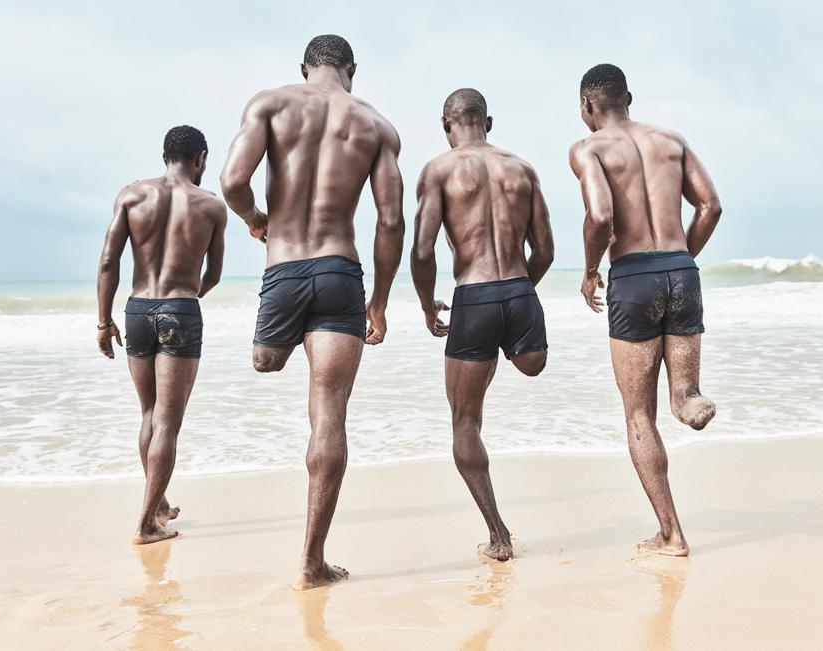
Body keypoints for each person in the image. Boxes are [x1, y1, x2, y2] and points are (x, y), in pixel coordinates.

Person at [219, 34, 404, 589]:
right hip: (340, 274)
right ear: (352, 70)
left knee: (266, 362)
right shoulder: (377, 126)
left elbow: (231, 181)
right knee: (329, 412)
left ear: (304, 68)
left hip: (284, 270)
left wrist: (257, 219)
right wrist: (381, 300)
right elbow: (392, 222)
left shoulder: (270, 104)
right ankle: (311, 562)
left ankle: (273, 344)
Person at [569, 64, 722, 556]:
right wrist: (681, 262)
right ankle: (689, 399)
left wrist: (591, 268)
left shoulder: (588, 148)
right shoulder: (672, 140)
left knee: (639, 415)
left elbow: (600, 215)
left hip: (633, 276)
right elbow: (710, 206)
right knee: (680, 395)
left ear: (587, 108)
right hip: (681, 270)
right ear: (628, 97)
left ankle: (671, 535)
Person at [411, 88, 554, 561]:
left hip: (472, 296)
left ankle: (499, 536)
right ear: (487, 122)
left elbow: (423, 251)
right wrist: (518, 296)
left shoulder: (439, 170)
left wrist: (429, 308)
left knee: (464, 422)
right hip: (520, 294)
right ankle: (511, 349)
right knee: (529, 365)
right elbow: (546, 252)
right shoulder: (522, 169)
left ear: (446, 125)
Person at [96, 125, 227, 545]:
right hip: (181, 310)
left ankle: (159, 502)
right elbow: (215, 274)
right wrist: (187, 297)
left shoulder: (131, 195)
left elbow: (107, 261)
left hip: (136, 310)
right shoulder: (210, 206)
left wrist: (104, 321)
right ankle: (147, 523)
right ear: (201, 157)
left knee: (150, 414)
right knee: (169, 422)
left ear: (165, 155)